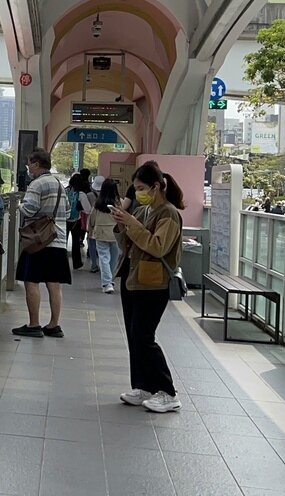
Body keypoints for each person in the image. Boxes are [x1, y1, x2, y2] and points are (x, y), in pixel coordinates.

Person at [111, 160, 185, 413]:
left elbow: (156, 246)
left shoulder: (169, 213)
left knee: (144, 336)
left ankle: (168, 391)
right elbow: (128, 246)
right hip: (133, 280)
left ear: (156, 186)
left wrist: (131, 224)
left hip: (154, 284)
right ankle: (142, 385)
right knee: (134, 336)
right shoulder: (143, 213)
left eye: (141, 187)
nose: (138, 193)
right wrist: (122, 225)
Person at [13, 149, 71, 338]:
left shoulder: (37, 184)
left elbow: (29, 210)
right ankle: (54, 325)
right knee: (54, 284)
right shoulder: (59, 184)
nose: (28, 167)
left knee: (32, 281)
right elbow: (68, 212)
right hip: (58, 239)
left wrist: (20, 204)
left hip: (39, 242)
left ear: (37, 164)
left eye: (29, 163)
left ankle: (34, 324)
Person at [89, 179, 121, 293]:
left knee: (103, 258)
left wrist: (90, 231)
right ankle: (109, 281)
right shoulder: (119, 203)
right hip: (116, 234)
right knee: (114, 259)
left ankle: (107, 283)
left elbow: (92, 219)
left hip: (101, 233)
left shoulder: (98, 203)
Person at [66, 174, 86, 269]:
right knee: (75, 243)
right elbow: (88, 209)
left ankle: (61, 263)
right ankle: (77, 263)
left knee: (62, 243)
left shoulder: (65, 191)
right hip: (75, 221)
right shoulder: (81, 194)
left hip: (64, 220)